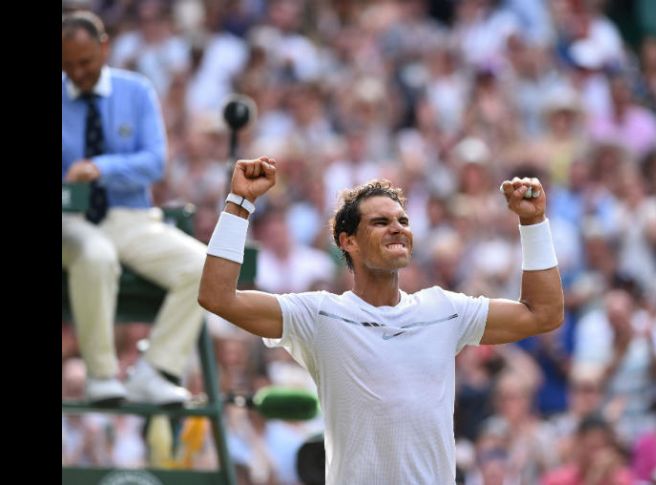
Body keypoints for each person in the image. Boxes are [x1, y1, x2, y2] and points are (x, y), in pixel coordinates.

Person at [199, 156, 564, 483]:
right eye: (380, 221)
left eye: (402, 220)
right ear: (348, 242)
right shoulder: (317, 315)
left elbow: (543, 313)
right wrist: (239, 203)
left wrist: (533, 223)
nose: (397, 227)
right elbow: (217, 297)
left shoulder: (444, 309)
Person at [62, 11, 206, 405]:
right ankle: (101, 376)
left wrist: (99, 168)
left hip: (130, 218)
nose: (77, 72)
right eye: (68, 64)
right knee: (95, 254)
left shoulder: (137, 91)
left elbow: (154, 163)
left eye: (86, 62)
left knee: (206, 266)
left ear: (104, 47)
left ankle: (156, 371)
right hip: (69, 221)